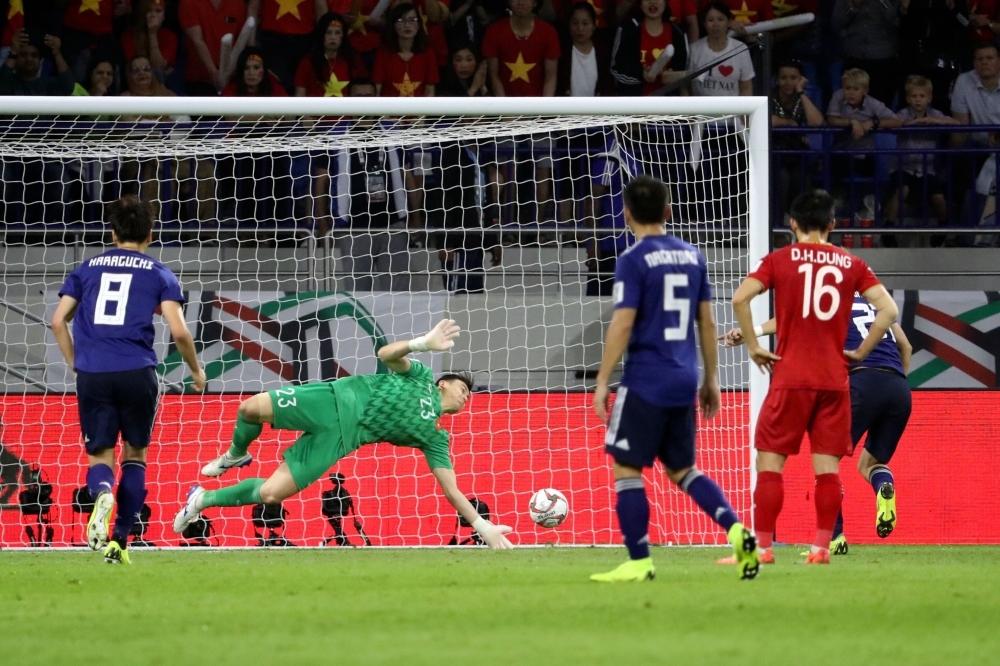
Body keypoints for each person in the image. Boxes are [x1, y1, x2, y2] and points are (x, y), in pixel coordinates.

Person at [174, 319, 515, 550]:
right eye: (462, 388)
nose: (466, 395)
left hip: (340, 440)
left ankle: (201, 499)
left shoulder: (436, 438)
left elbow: (451, 490)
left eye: (470, 396)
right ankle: (236, 453)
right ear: (443, 383)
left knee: (271, 494)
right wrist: (423, 343)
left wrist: (482, 527)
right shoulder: (422, 377)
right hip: (334, 399)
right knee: (249, 408)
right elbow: (384, 354)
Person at [590, 176, 760, 582]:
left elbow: (623, 322)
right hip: (685, 377)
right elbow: (707, 321)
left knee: (627, 469)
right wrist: (712, 379)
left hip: (646, 378)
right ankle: (739, 533)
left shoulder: (632, 260)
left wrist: (601, 381)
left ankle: (639, 561)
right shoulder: (692, 256)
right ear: (668, 212)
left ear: (626, 214)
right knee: (683, 469)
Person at [729, 188, 899, 565]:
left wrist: (755, 345)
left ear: (792, 225)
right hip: (834, 380)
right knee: (827, 469)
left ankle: (763, 549)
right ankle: (822, 549)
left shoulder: (780, 259)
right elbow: (888, 310)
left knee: (769, 464)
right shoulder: (851, 264)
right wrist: (861, 351)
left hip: (790, 376)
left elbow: (740, 299)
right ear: (833, 225)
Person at [50, 195, 207, 565]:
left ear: (113, 231)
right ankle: (120, 540)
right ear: (150, 235)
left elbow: (58, 321)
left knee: (99, 456)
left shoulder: (86, 269)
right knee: (135, 456)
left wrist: (76, 363)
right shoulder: (159, 273)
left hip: (94, 374)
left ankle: (102, 492)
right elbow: (180, 332)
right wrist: (196, 371)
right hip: (138, 372)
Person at [719, 292, 913, 553]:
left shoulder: (830, 299)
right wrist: (898, 382)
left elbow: (791, 320)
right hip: (899, 389)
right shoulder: (877, 304)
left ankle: (835, 539)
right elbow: (906, 346)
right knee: (872, 463)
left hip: (861, 382)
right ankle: (883, 487)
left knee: (827, 461)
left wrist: (749, 332)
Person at [883, 75, 958, 244]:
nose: (918, 100)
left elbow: (956, 123)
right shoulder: (902, 113)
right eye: (914, 96)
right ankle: (888, 229)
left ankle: (943, 227)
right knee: (902, 190)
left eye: (922, 96)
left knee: (938, 197)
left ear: (929, 98)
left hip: (927, 169)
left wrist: (930, 120)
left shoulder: (934, 114)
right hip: (903, 167)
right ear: (908, 99)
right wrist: (910, 124)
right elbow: (891, 124)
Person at [825, 68, 901, 179]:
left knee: (870, 169)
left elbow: (897, 122)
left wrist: (872, 123)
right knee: (836, 167)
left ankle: (868, 195)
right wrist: (852, 122)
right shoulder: (837, 96)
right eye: (847, 88)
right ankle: (838, 194)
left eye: (856, 89)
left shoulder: (873, 103)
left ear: (865, 91)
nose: (851, 92)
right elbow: (831, 119)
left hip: (865, 153)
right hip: (841, 152)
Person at [248, 0, 327, 94]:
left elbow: (321, 10)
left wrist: (322, 45)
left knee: (303, 87)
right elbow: (253, 7)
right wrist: (251, 47)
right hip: (273, 43)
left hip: (304, 42)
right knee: (274, 88)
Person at [610, 0, 688, 97]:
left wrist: (672, 75)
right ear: (640, 4)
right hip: (633, 104)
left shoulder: (678, 32)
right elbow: (616, 68)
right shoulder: (628, 30)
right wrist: (641, 74)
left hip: (667, 104)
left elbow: (683, 68)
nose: (653, 2)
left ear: (665, 3)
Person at [832, 0, 900, 107]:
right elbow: (837, 23)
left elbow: (896, 20)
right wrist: (853, 7)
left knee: (882, 109)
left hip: (884, 58)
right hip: (854, 57)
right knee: (852, 108)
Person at [179, 0, 248, 95]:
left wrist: (233, 70)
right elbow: (197, 41)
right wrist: (213, 72)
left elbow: (242, 40)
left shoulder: (237, 3)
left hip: (232, 79)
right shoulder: (189, 3)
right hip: (200, 79)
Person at [685, 2, 754, 97]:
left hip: (732, 110)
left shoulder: (741, 49)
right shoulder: (694, 49)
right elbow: (686, 86)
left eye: (721, 19)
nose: (716, 24)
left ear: (729, 22)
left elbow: (746, 88)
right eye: (710, 20)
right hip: (700, 110)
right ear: (704, 23)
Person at [372, 2, 439, 97]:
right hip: (389, 110)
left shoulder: (427, 52)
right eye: (401, 20)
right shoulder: (383, 53)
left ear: (419, 24)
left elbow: (430, 91)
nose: (407, 25)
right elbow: (377, 90)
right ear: (393, 25)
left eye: (412, 20)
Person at [295, 13, 368, 98]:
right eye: (328, 33)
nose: (333, 37)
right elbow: (300, 96)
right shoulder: (307, 62)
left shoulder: (353, 59)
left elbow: (364, 92)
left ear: (343, 36)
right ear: (321, 35)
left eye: (337, 33)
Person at [0, 30, 75, 96]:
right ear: (15, 59)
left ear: (40, 61)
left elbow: (68, 87)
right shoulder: (9, 83)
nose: (29, 59)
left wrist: (57, 53)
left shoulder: (47, 85)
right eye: (23, 55)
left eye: (34, 55)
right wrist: (13, 52)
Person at [121, 0, 179, 81]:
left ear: (164, 15)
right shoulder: (129, 35)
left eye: (158, 11)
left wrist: (152, 34)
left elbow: (158, 66)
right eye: (149, 11)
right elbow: (135, 65)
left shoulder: (170, 36)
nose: (153, 15)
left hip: (162, 82)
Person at [222, 46, 288, 96]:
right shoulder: (229, 92)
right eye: (246, 68)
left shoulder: (276, 90)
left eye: (256, 67)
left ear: (264, 70)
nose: (251, 73)